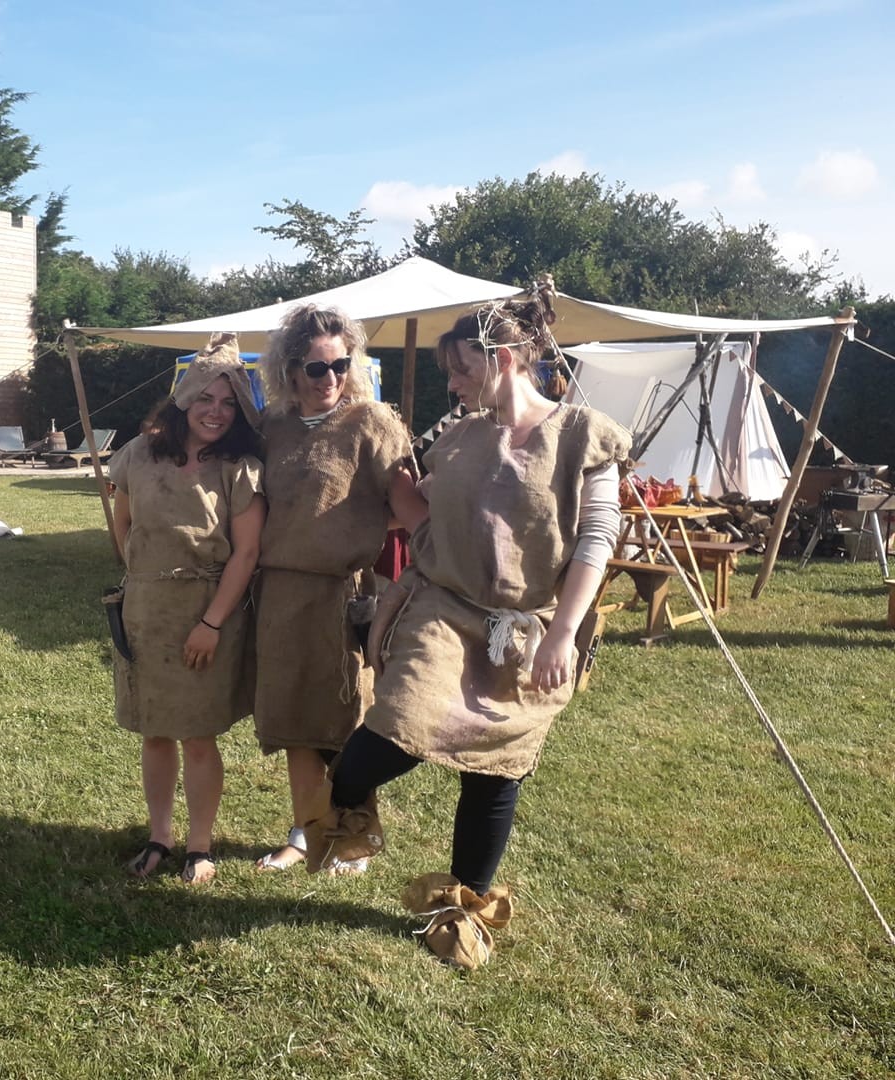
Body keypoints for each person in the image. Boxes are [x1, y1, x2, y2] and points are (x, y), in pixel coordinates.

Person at [306, 283, 631, 967]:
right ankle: (349, 815)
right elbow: (416, 507)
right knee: (386, 739)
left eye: (461, 367)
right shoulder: (458, 436)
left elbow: (596, 540)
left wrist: (566, 633)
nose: (452, 381)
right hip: (443, 613)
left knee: (495, 773)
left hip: (531, 628)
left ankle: (463, 913)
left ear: (505, 357)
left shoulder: (582, 434)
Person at [251, 304, 426, 873]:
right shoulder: (272, 428)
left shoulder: (374, 423)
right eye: (314, 368)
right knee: (294, 720)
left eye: (339, 365)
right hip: (279, 593)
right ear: (289, 372)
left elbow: (410, 511)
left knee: (348, 719)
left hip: (344, 594)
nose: (329, 379)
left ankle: (352, 832)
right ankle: (306, 833)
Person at [108, 334, 266, 885]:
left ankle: (200, 845)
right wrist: (143, 579)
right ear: (184, 400)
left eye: (227, 403)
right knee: (154, 730)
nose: (215, 412)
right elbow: (121, 525)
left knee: (198, 735)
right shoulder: (138, 453)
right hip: (146, 610)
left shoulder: (240, 467)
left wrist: (210, 622)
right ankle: (160, 836)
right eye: (205, 399)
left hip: (207, 611)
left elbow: (246, 553)